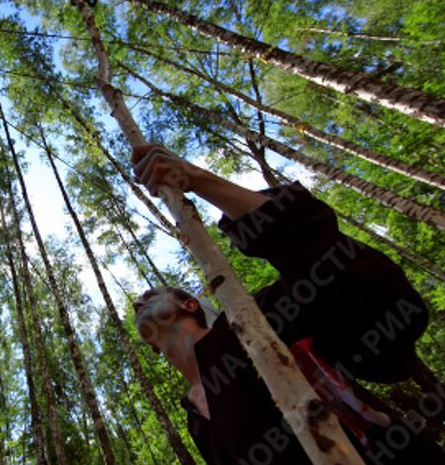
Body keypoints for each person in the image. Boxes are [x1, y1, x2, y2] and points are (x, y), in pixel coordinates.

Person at [130, 144, 445, 465]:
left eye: (150, 295)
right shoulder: (194, 420)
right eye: (138, 304)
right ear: (153, 347)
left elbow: (361, 284)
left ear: (190, 305)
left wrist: (198, 180)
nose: (138, 301)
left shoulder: (248, 320)